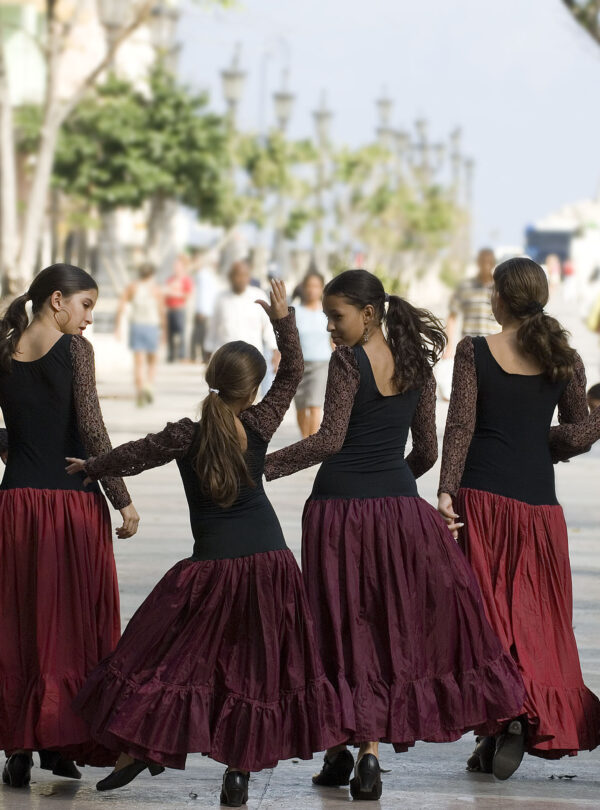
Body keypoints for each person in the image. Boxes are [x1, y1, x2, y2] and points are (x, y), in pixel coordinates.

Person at [65, 280, 343, 805]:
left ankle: (141, 747)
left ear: (212, 380)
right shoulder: (260, 422)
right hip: (270, 560)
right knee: (254, 669)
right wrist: (284, 320)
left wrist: (93, 467)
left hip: (212, 564)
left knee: (172, 656)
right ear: (252, 390)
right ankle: (237, 773)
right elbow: (294, 373)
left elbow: (134, 454)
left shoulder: (185, 434)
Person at [263, 269, 525, 802]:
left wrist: (261, 467)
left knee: (340, 626)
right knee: (383, 627)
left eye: (337, 318)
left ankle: (348, 752)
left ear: (368, 313)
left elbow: (328, 440)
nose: (332, 329)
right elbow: (427, 451)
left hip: (339, 512)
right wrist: (392, 479)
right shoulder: (418, 369)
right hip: (400, 511)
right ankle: (363, 755)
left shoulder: (346, 363)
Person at [437, 257, 600, 779]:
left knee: (488, 620)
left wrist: (445, 490)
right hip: (539, 507)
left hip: (482, 498)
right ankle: (507, 728)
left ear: (501, 298)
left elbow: (460, 423)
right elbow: (579, 432)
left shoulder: (475, 350)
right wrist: (538, 443)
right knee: (537, 620)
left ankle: (501, 720)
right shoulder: (565, 358)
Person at [0, 264, 139, 789]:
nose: (88, 321)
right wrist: (122, 499)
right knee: (73, 627)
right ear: (57, 300)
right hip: (69, 508)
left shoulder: (5, 349)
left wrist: (15, 442)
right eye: (86, 307)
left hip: (14, 506)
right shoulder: (75, 353)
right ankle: (62, 742)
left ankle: (19, 745)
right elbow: (91, 427)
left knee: (21, 626)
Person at [206, 260, 279, 376]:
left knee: (249, 393)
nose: (240, 279)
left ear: (249, 277)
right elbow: (213, 328)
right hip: (226, 359)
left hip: (251, 360)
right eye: (237, 275)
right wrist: (208, 353)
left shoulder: (258, 296)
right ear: (230, 277)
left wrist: (275, 350)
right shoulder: (221, 299)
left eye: (244, 275)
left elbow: (268, 327)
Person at [115, 262, 165, 407]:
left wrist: (118, 327)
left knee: (138, 363)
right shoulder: (155, 289)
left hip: (136, 326)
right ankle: (148, 385)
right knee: (152, 361)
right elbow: (161, 312)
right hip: (151, 326)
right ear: (152, 274)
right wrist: (164, 332)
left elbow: (121, 306)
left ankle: (139, 392)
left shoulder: (132, 287)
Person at [294, 270, 331, 437]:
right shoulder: (295, 311)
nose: (312, 290)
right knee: (301, 406)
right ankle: (305, 440)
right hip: (299, 365)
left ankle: (311, 443)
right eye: (309, 286)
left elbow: (334, 338)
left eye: (316, 286)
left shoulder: (328, 312)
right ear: (303, 288)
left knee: (315, 406)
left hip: (321, 363)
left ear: (322, 289)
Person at [445, 247, 499, 356]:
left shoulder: (500, 288)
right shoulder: (464, 287)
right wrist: (449, 346)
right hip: (469, 347)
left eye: (489, 261)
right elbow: (452, 316)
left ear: (493, 263)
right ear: (478, 262)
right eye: (483, 261)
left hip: (494, 348)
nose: (486, 264)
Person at [190, 247, 220, 365]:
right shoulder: (205, 275)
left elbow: (206, 294)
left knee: (202, 335)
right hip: (205, 310)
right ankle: (200, 356)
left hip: (205, 310)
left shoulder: (205, 275)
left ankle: (203, 357)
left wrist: (202, 310)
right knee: (201, 335)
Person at [165, 255, 193, 363]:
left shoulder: (186, 279)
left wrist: (175, 294)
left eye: (177, 265)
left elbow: (187, 295)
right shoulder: (170, 279)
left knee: (181, 333)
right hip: (170, 309)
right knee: (170, 334)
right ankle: (171, 355)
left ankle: (182, 355)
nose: (175, 267)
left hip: (179, 309)